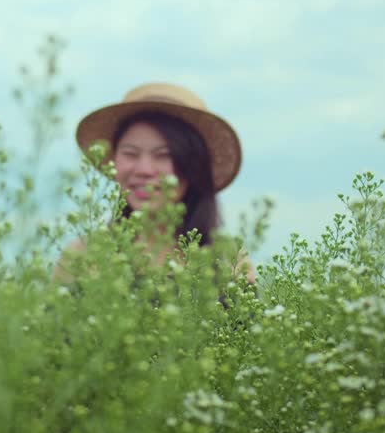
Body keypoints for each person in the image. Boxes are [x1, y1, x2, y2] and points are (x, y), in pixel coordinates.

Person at [54, 81, 256, 287]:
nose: (144, 170)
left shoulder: (228, 259)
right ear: (113, 161)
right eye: (130, 153)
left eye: (164, 155)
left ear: (193, 167)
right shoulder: (83, 255)